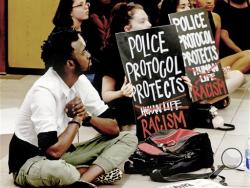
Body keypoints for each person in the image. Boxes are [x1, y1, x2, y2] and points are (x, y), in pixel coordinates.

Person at [8, 22, 138, 188]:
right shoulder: (44, 91)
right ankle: (87, 173)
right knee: (63, 172)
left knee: (128, 138)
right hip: (30, 162)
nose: (89, 54)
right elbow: (53, 151)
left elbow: (114, 128)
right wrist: (76, 119)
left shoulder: (80, 80)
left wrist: (87, 117)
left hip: (63, 153)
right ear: (70, 63)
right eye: (83, 52)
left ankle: (83, 180)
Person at [158, 0, 245, 108]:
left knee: (237, 75)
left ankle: (204, 102)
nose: (188, 10)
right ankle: (201, 102)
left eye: (189, 6)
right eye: (182, 7)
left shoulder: (197, 30)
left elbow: (204, 64)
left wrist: (216, 72)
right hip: (178, 87)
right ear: (171, 10)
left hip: (198, 83)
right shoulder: (161, 35)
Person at [101, 3, 151, 132]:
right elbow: (106, 95)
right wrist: (121, 93)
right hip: (128, 117)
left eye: (148, 20)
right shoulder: (112, 54)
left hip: (154, 112)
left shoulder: (155, 48)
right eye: (142, 21)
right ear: (127, 28)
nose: (149, 25)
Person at [195, 0, 250, 73]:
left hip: (213, 62)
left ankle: (224, 76)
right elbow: (224, 36)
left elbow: (216, 50)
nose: (209, 1)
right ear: (196, 1)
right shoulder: (185, 19)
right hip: (195, 65)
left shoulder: (216, 17)